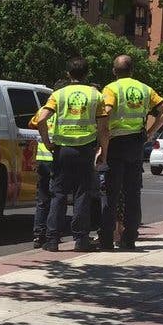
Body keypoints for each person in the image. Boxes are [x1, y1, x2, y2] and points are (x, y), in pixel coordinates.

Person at [33, 58, 108, 252]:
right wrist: (103, 153)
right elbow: (103, 129)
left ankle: (52, 240)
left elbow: (41, 119)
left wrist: (47, 141)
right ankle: (81, 239)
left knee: (58, 194)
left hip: (62, 150)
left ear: (68, 74)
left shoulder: (58, 95)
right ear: (87, 74)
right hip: (85, 150)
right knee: (82, 194)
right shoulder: (96, 95)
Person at [99, 54, 163, 250]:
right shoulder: (145, 89)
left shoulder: (111, 88)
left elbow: (105, 113)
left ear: (114, 71)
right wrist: (149, 133)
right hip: (136, 142)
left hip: (116, 142)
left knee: (111, 192)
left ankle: (106, 239)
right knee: (133, 193)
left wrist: (102, 145)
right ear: (132, 71)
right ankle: (129, 238)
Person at [30, 79, 68, 249]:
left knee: (42, 198)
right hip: (56, 157)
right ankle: (54, 233)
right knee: (57, 197)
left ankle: (38, 235)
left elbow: (32, 123)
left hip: (42, 159)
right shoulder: (63, 111)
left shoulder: (42, 110)